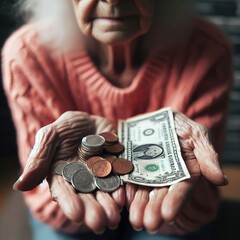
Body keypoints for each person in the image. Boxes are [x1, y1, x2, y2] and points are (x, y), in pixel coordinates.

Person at [1, 0, 233, 239]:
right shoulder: (27, 54)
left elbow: (199, 203)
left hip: (166, 212)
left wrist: (181, 203)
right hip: (77, 219)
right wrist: (68, 199)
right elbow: (49, 202)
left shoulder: (206, 49)